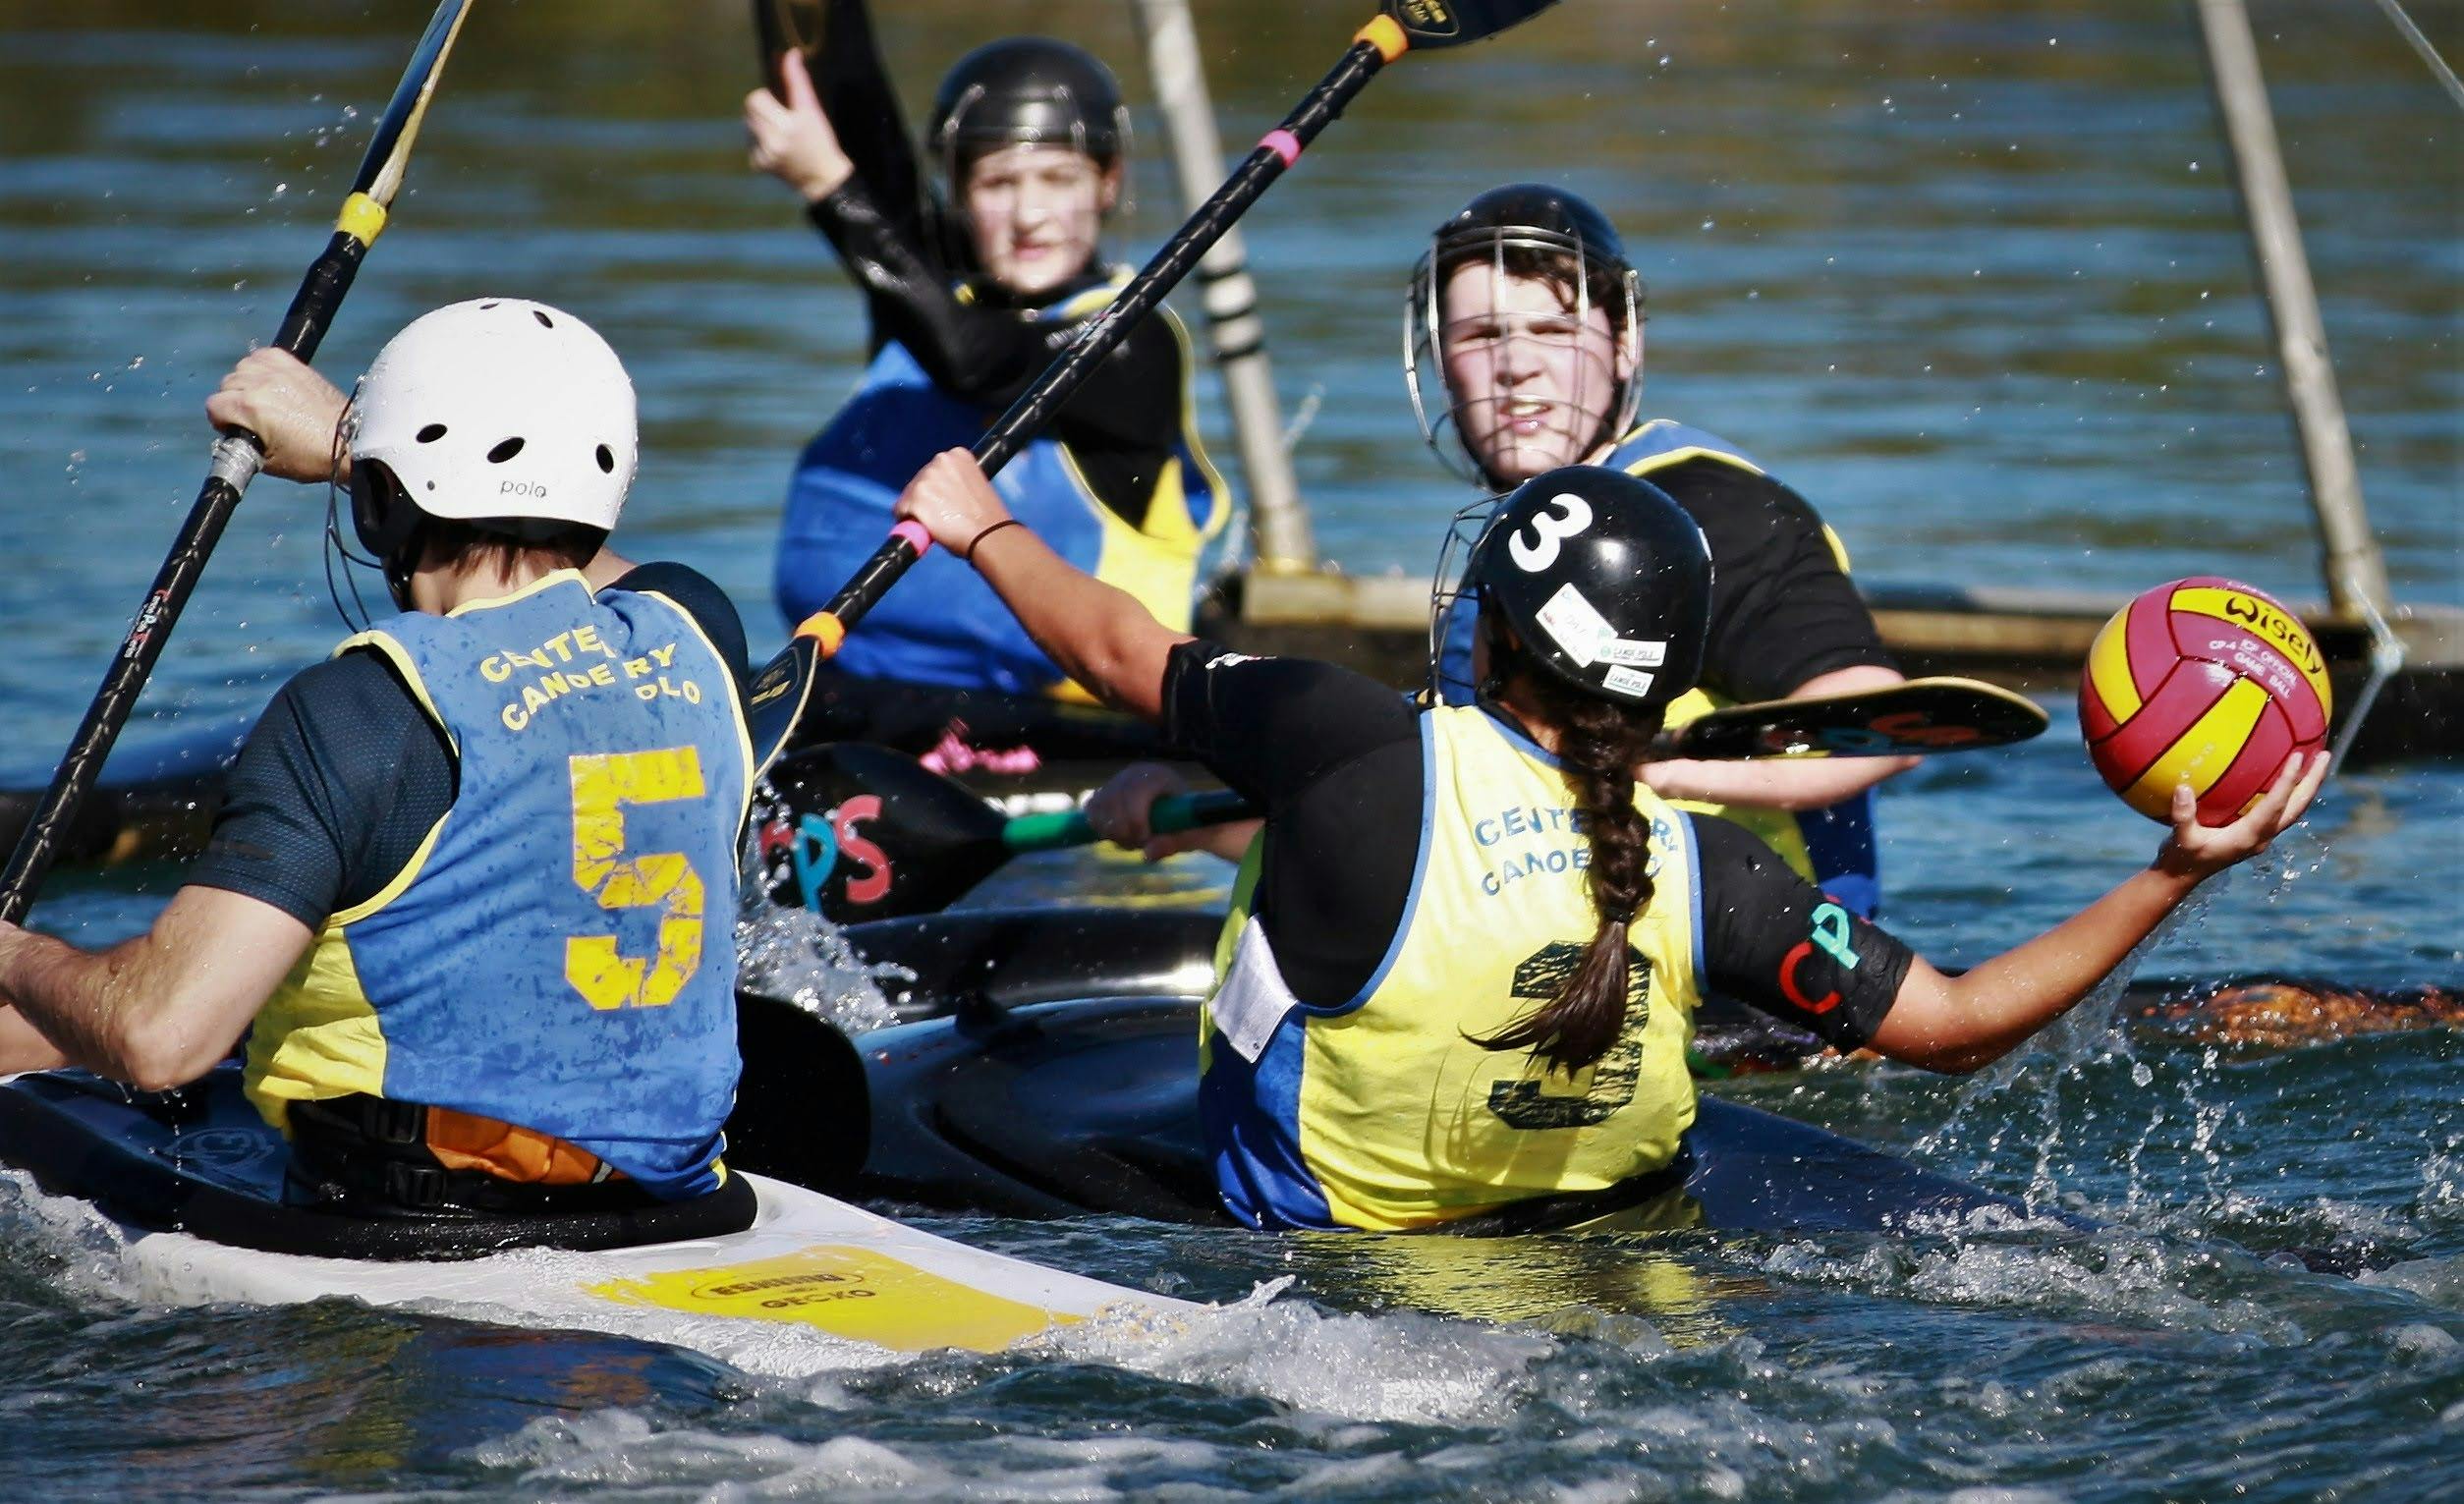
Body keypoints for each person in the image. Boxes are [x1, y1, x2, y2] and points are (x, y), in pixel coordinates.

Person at [887, 450, 2326, 1232]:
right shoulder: (1708, 863)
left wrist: (985, 522)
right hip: (1622, 1284)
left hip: (1320, 1284)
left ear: (1495, 627)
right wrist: (2175, 870)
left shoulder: (1340, 737)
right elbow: (1954, 1024)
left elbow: (1120, 646)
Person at [0, 300, 758, 1228]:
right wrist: (362, 451)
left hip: (410, 1232)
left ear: (380, 500)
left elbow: (161, 1036)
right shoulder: (697, 638)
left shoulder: (361, 713)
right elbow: (602, 578)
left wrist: (13, 952)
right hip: (673, 1203)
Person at [1099, 185, 1905, 926]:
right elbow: (1431, 822)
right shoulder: (1509, 542)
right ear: (1440, 363)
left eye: (1555, 330)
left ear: (1624, 345)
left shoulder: (1706, 512)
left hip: (1773, 998)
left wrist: (1649, 771)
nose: (1516, 366)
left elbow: (1880, 719)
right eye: (1483, 335)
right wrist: (1198, 818)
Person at [743, 0, 1226, 701]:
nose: (1029, 216)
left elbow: (975, 362)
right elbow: (867, 161)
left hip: (1073, 724)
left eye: (1058, 179)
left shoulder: (1134, 343)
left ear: (1108, 182)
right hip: (865, 698)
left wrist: (825, 187)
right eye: (998, 183)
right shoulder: (934, 303)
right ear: (961, 193)